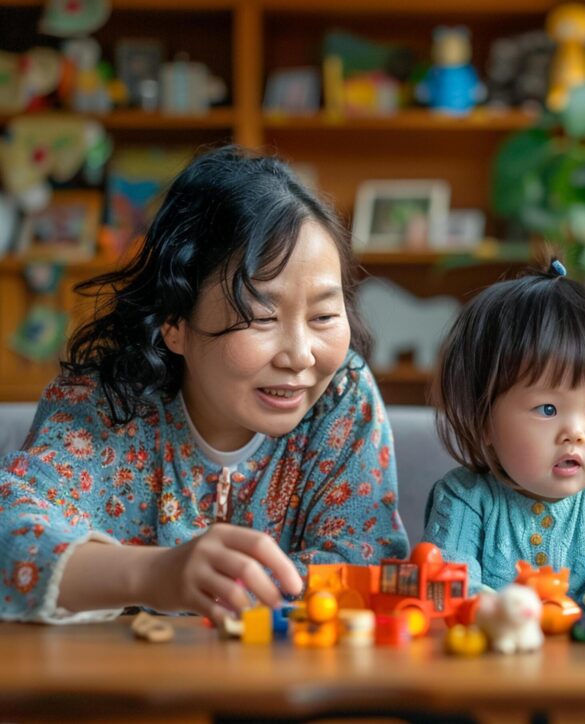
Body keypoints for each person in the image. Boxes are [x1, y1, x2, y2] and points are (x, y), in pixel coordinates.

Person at [0, 145, 409, 624]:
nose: (301, 355)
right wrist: (155, 575)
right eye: (261, 317)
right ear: (174, 322)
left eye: (323, 315)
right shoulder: (103, 401)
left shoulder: (343, 396)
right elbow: (10, 526)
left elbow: (366, 561)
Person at [422, 261, 585, 600]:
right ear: (484, 420)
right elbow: (447, 589)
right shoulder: (464, 499)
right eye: (548, 409)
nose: (575, 433)